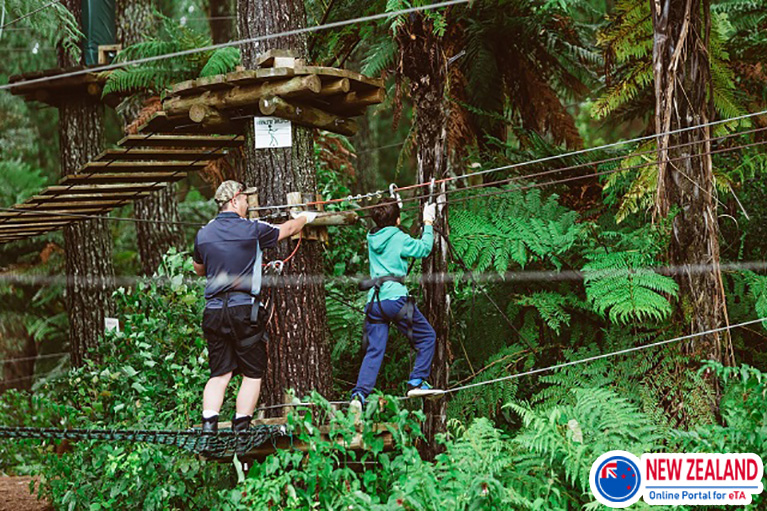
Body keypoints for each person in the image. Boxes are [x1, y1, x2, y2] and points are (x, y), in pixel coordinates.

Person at [192, 180, 317, 441]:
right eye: (246, 200)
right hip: (242, 310)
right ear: (235, 199)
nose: (248, 205)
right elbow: (288, 229)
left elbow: (199, 269)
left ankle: (208, 428)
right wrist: (305, 217)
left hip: (214, 311)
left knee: (220, 373)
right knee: (252, 371)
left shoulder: (203, 234)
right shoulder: (252, 229)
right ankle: (241, 429)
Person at [351, 197, 439, 403]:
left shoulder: (371, 236)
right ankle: (416, 381)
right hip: (395, 299)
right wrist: (428, 223)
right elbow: (424, 248)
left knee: (374, 351)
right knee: (427, 337)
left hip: (374, 301)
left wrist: (392, 205)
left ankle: (359, 395)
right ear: (398, 221)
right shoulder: (399, 237)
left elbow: (385, 222)